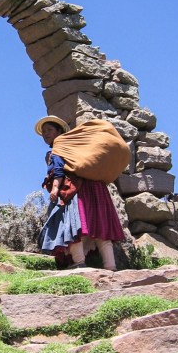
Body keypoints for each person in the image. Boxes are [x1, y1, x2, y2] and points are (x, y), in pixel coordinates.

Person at [36, 115, 125, 270]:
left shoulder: (59, 147)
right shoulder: (77, 148)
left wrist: (55, 188)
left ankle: (79, 262)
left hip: (77, 190)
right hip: (98, 189)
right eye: (44, 131)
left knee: (72, 225)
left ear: (59, 131)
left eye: (49, 130)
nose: (46, 134)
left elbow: (58, 170)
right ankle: (110, 265)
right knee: (101, 226)